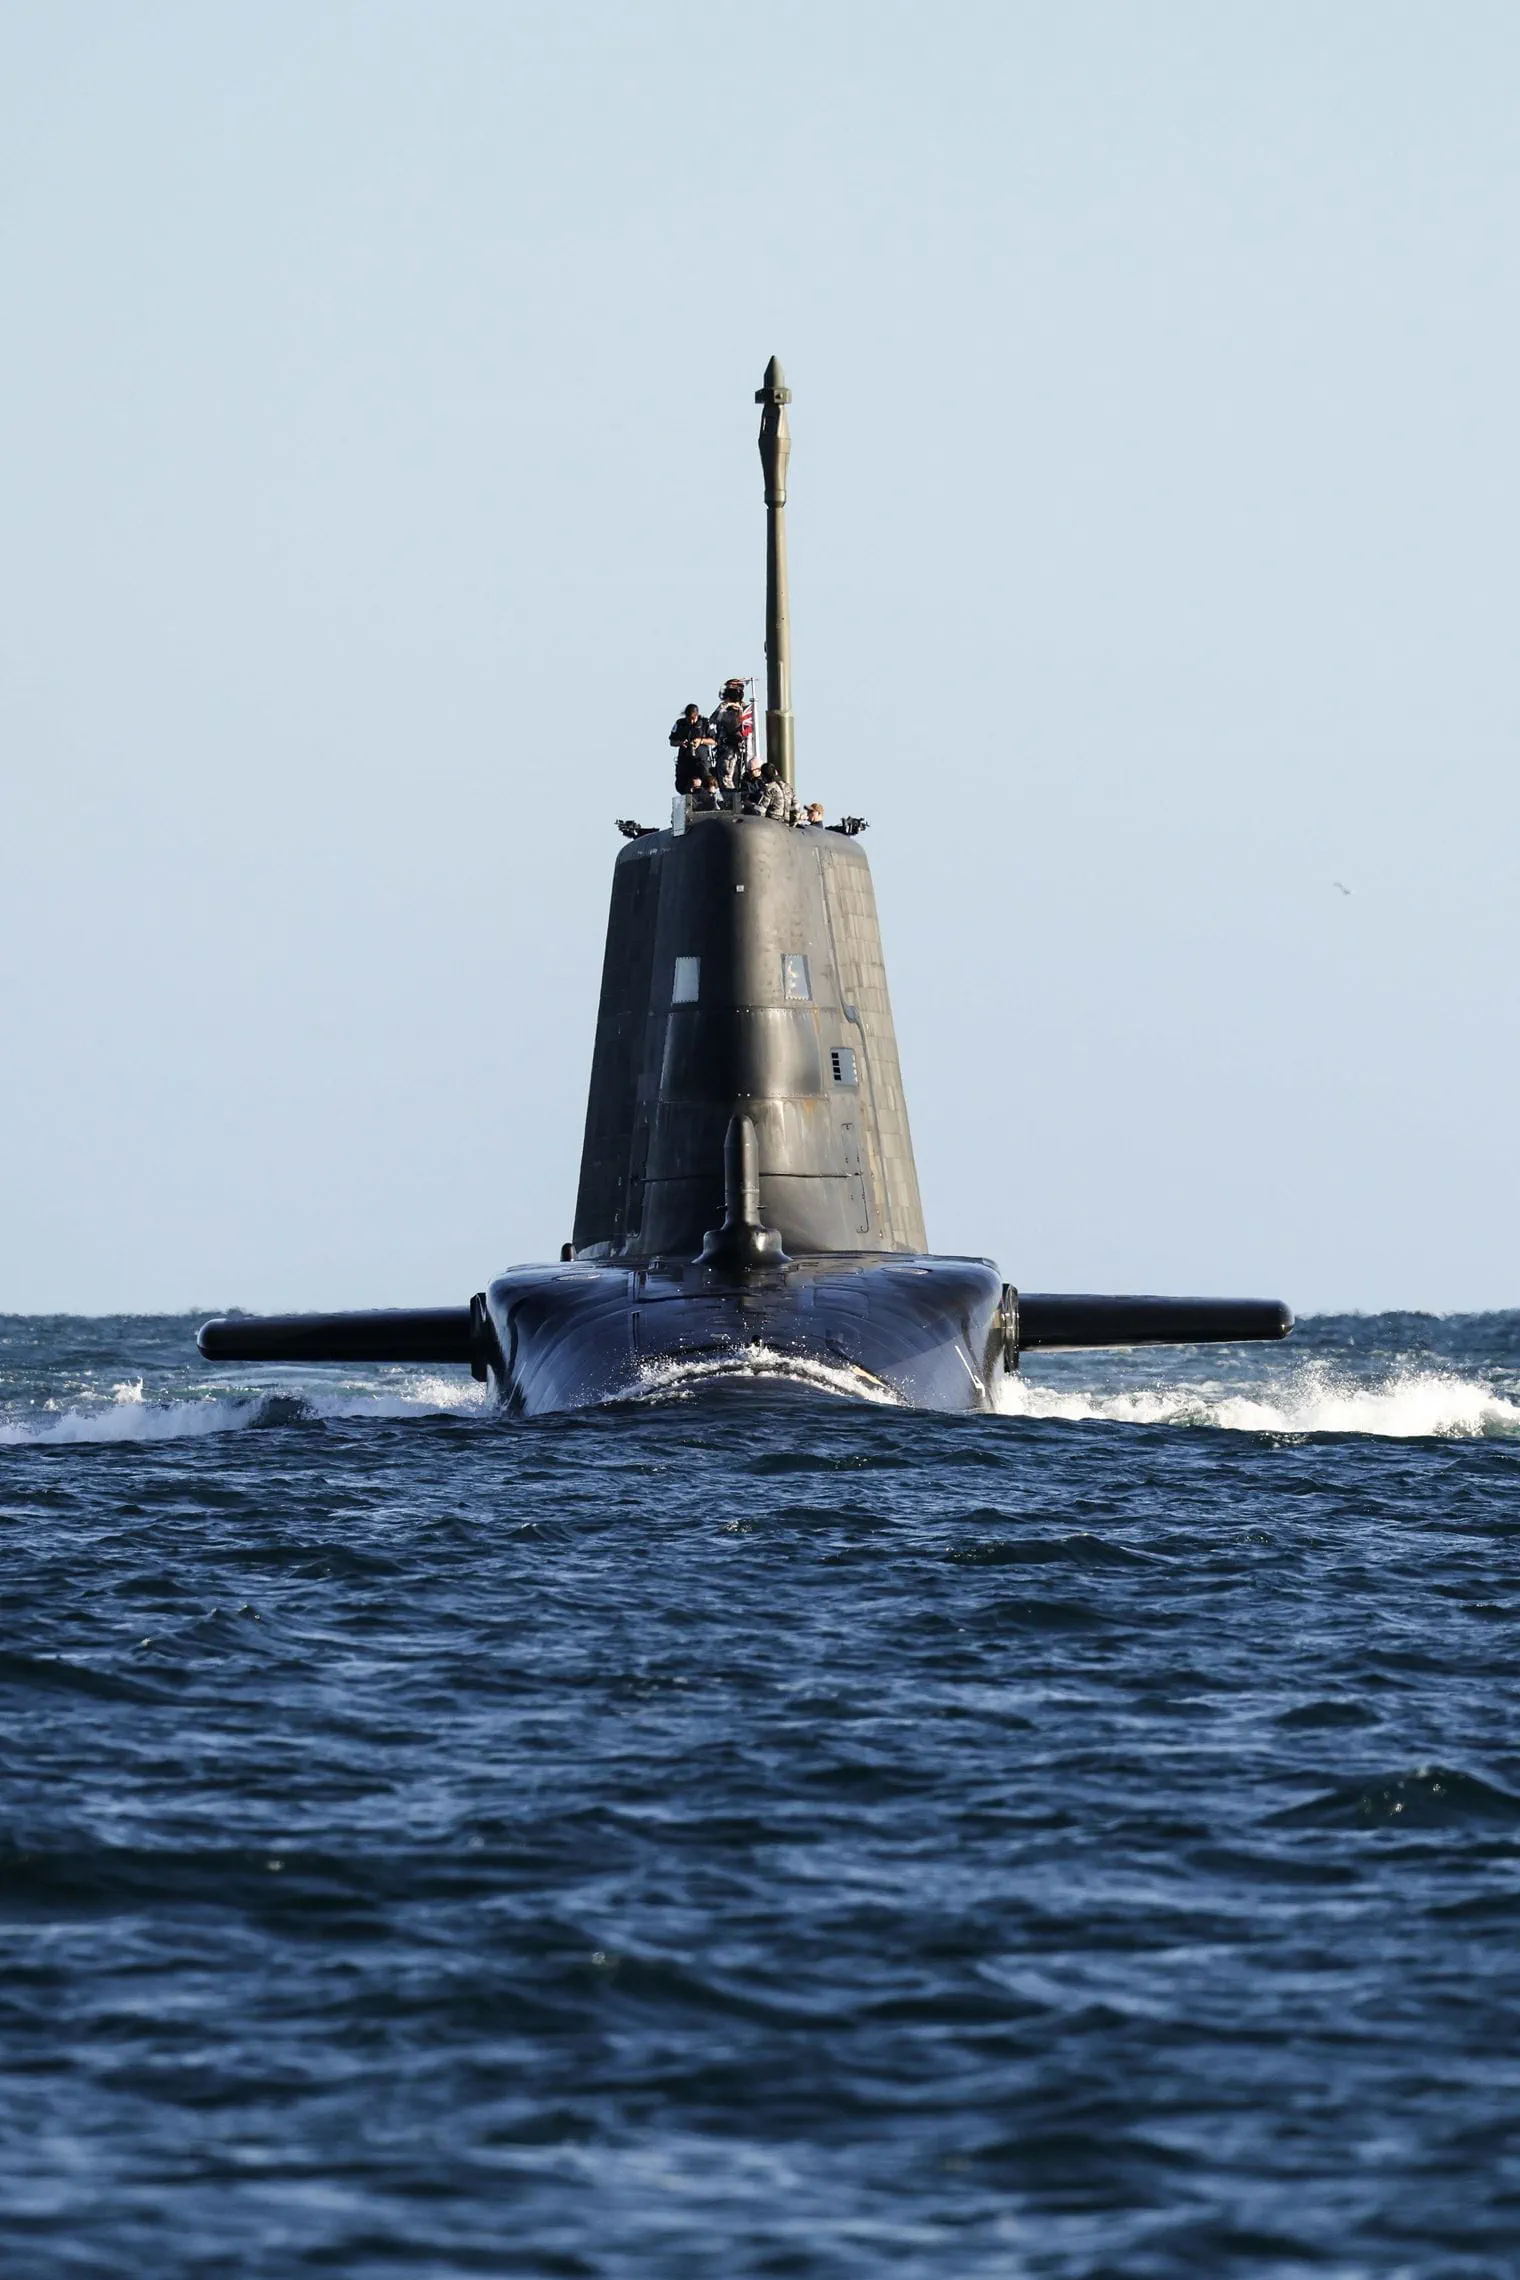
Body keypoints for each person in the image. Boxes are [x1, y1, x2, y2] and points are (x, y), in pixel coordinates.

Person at [711, 678, 749, 788]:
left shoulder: (734, 710)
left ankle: (731, 802)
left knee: (726, 777)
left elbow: (714, 720)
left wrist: (724, 706)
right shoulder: (740, 709)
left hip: (730, 749)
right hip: (729, 749)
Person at [669, 703, 714, 792]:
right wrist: (681, 743)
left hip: (701, 760)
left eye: (693, 719)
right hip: (685, 760)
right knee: (682, 785)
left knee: (708, 782)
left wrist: (700, 741)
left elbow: (714, 741)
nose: (692, 722)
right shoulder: (680, 724)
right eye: (689, 719)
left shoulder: (705, 723)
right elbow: (672, 741)